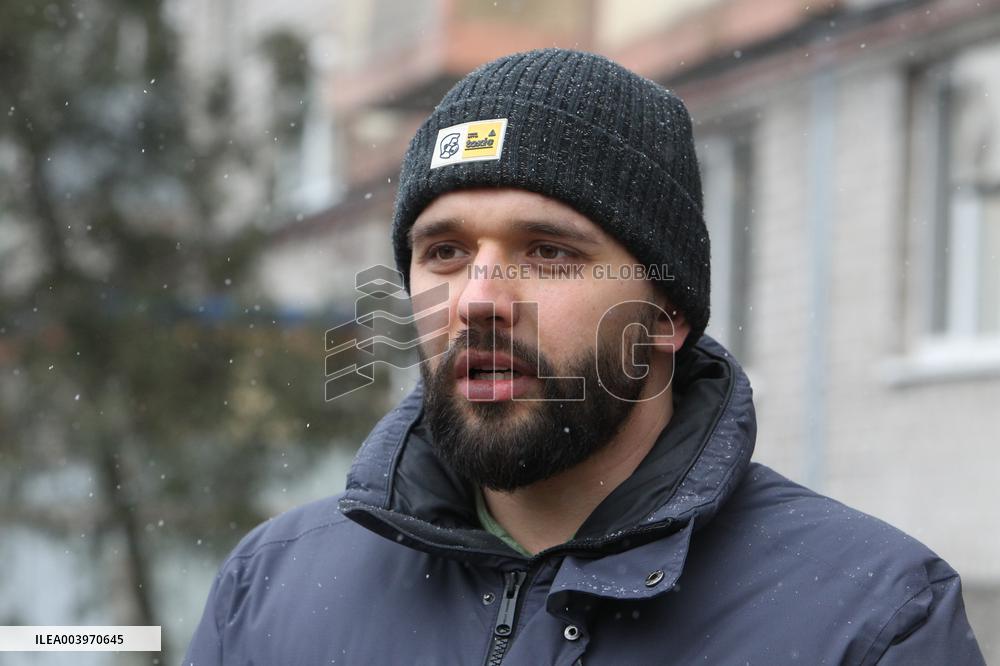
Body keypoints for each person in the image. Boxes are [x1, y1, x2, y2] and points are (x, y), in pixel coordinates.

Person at [184, 48, 985, 665]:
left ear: (667, 314)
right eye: (446, 252)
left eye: (549, 253)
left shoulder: (872, 620)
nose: (476, 301)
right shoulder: (276, 588)